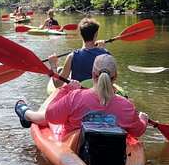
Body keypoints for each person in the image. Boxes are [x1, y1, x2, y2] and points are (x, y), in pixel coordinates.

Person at [15, 54, 148, 141]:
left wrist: (66, 89)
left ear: (92, 74)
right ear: (115, 77)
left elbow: (51, 115)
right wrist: (143, 119)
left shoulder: (75, 96)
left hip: (73, 147)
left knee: (52, 116)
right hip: (109, 153)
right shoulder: (127, 106)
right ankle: (27, 114)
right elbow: (137, 132)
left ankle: (27, 114)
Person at [50, 18, 108, 87]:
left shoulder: (72, 56)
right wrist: (102, 50)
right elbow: (110, 78)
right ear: (96, 34)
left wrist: (53, 65)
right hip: (99, 92)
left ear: (81, 34)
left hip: (79, 94)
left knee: (59, 70)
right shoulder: (105, 54)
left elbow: (58, 84)